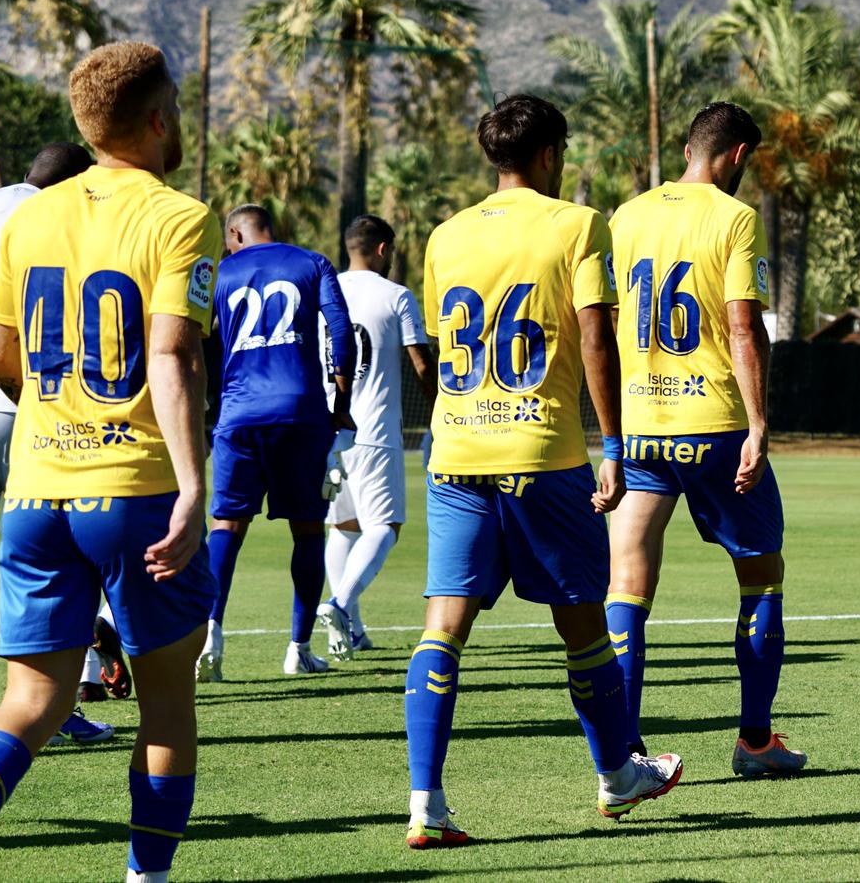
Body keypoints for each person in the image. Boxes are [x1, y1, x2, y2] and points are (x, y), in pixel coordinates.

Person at [0, 42, 220, 883]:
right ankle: (148, 878)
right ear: (156, 118)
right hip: (135, 484)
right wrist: (192, 486)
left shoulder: (31, 216)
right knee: (168, 705)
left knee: (31, 700)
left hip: (38, 489)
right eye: (175, 102)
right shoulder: (181, 214)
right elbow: (173, 356)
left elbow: (2, 355)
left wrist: (56, 416)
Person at [405, 93, 676, 850]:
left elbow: (438, 345)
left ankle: (425, 802)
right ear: (552, 152)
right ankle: (618, 775)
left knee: (442, 629)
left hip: (454, 452)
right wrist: (614, 446)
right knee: (584, 626)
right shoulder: (579, 223)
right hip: (542, 452)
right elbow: (596, 337)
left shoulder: (445, 234)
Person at [607, 102, 805, 775]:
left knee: (628, 584)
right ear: (739, 155)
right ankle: (754, 741)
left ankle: (625, 752)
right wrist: (759, 423)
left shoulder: (626, 215)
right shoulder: (733, 217)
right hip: (713, 421)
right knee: (762, 574)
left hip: (641, 426)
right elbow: (744, 326)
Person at [0, 142, 129, 731]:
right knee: (61, 559)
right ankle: (64, 704)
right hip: (23, 403)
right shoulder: (60, 216)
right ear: (76, 181)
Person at [197, 205, 354, 680]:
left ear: (234, 234)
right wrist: (340, 406)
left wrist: (208, 403)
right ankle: (298, 649)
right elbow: (341, 334)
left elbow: (197, 337)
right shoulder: (312, 263)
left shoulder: (221, 272)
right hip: (300, 412)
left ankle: (209, 637)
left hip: (238, 413)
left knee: (225, 526)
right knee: (308, 530)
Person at [316, 214, 436, 659]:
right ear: (383, 249)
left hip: (329, 429)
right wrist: (442, 411)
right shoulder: (396, 295)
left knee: (343, 527)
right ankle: (340, 605)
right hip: (374, 430)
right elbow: (421, 363)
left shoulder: (324, 290)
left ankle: (350, 628)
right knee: (385, 527)